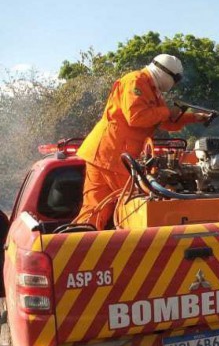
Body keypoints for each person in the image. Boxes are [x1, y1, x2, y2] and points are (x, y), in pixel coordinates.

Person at [75, 54, 208, 229]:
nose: (174, 84)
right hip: (113, 154)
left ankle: (79, 245)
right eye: (175, 79)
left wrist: (195, 117)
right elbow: (136, 117)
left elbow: (165, 122)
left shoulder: (152, 89)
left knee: (94, 209)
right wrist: (167, 112)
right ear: (166, 73)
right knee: (135, 205)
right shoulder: (135, 81)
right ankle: (136, 250)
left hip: (105, 154)